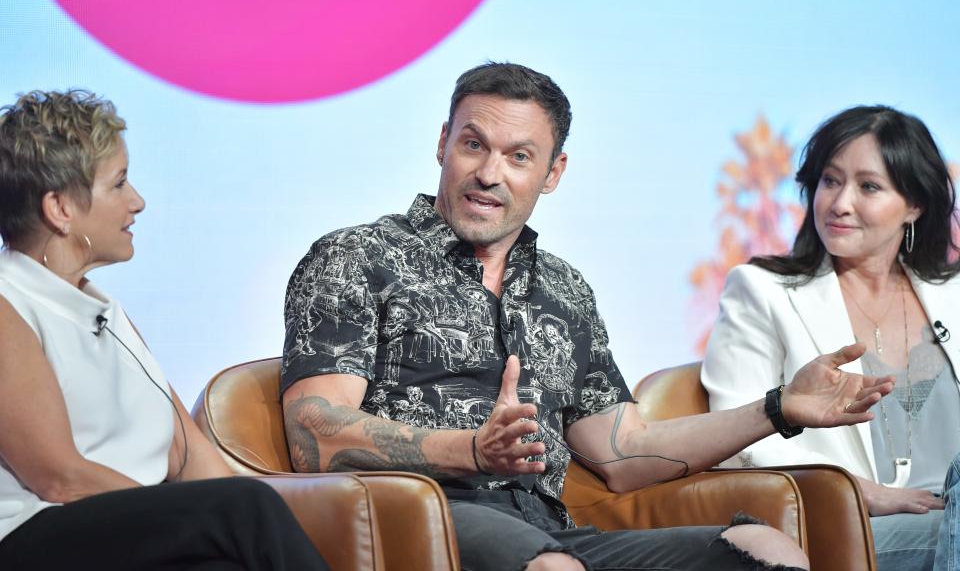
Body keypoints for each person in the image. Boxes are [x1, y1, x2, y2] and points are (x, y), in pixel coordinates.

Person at [281, 63, 893, 571]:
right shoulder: (358, 256)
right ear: (443, 142)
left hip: (553, 531)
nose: (490, 173)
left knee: (763, 549)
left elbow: (626, 454)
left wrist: (779, 407)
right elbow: (315, 435)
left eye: (519, 156)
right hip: (425, 518)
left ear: (552, 174)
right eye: (474, 145)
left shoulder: (563, 289)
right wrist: (472, 449)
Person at [0, 90, 331, 570]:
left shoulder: (102, 309)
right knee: (245, 506)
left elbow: (189, 454)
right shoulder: (10, 304)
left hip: (124, 533)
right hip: (36, 536)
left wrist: (205, 519)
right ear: (60, 209)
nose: (137, 202)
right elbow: (60, 479)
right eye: (119, 184)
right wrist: (192, 515)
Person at [701, 105, 960, 571]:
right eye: (830, 180)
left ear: (915, 204)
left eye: (868, 187)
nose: (840, 202)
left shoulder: (954, 294)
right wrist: (865, 492)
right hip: (855, 522)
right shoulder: (762, 291)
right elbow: (736, 438)